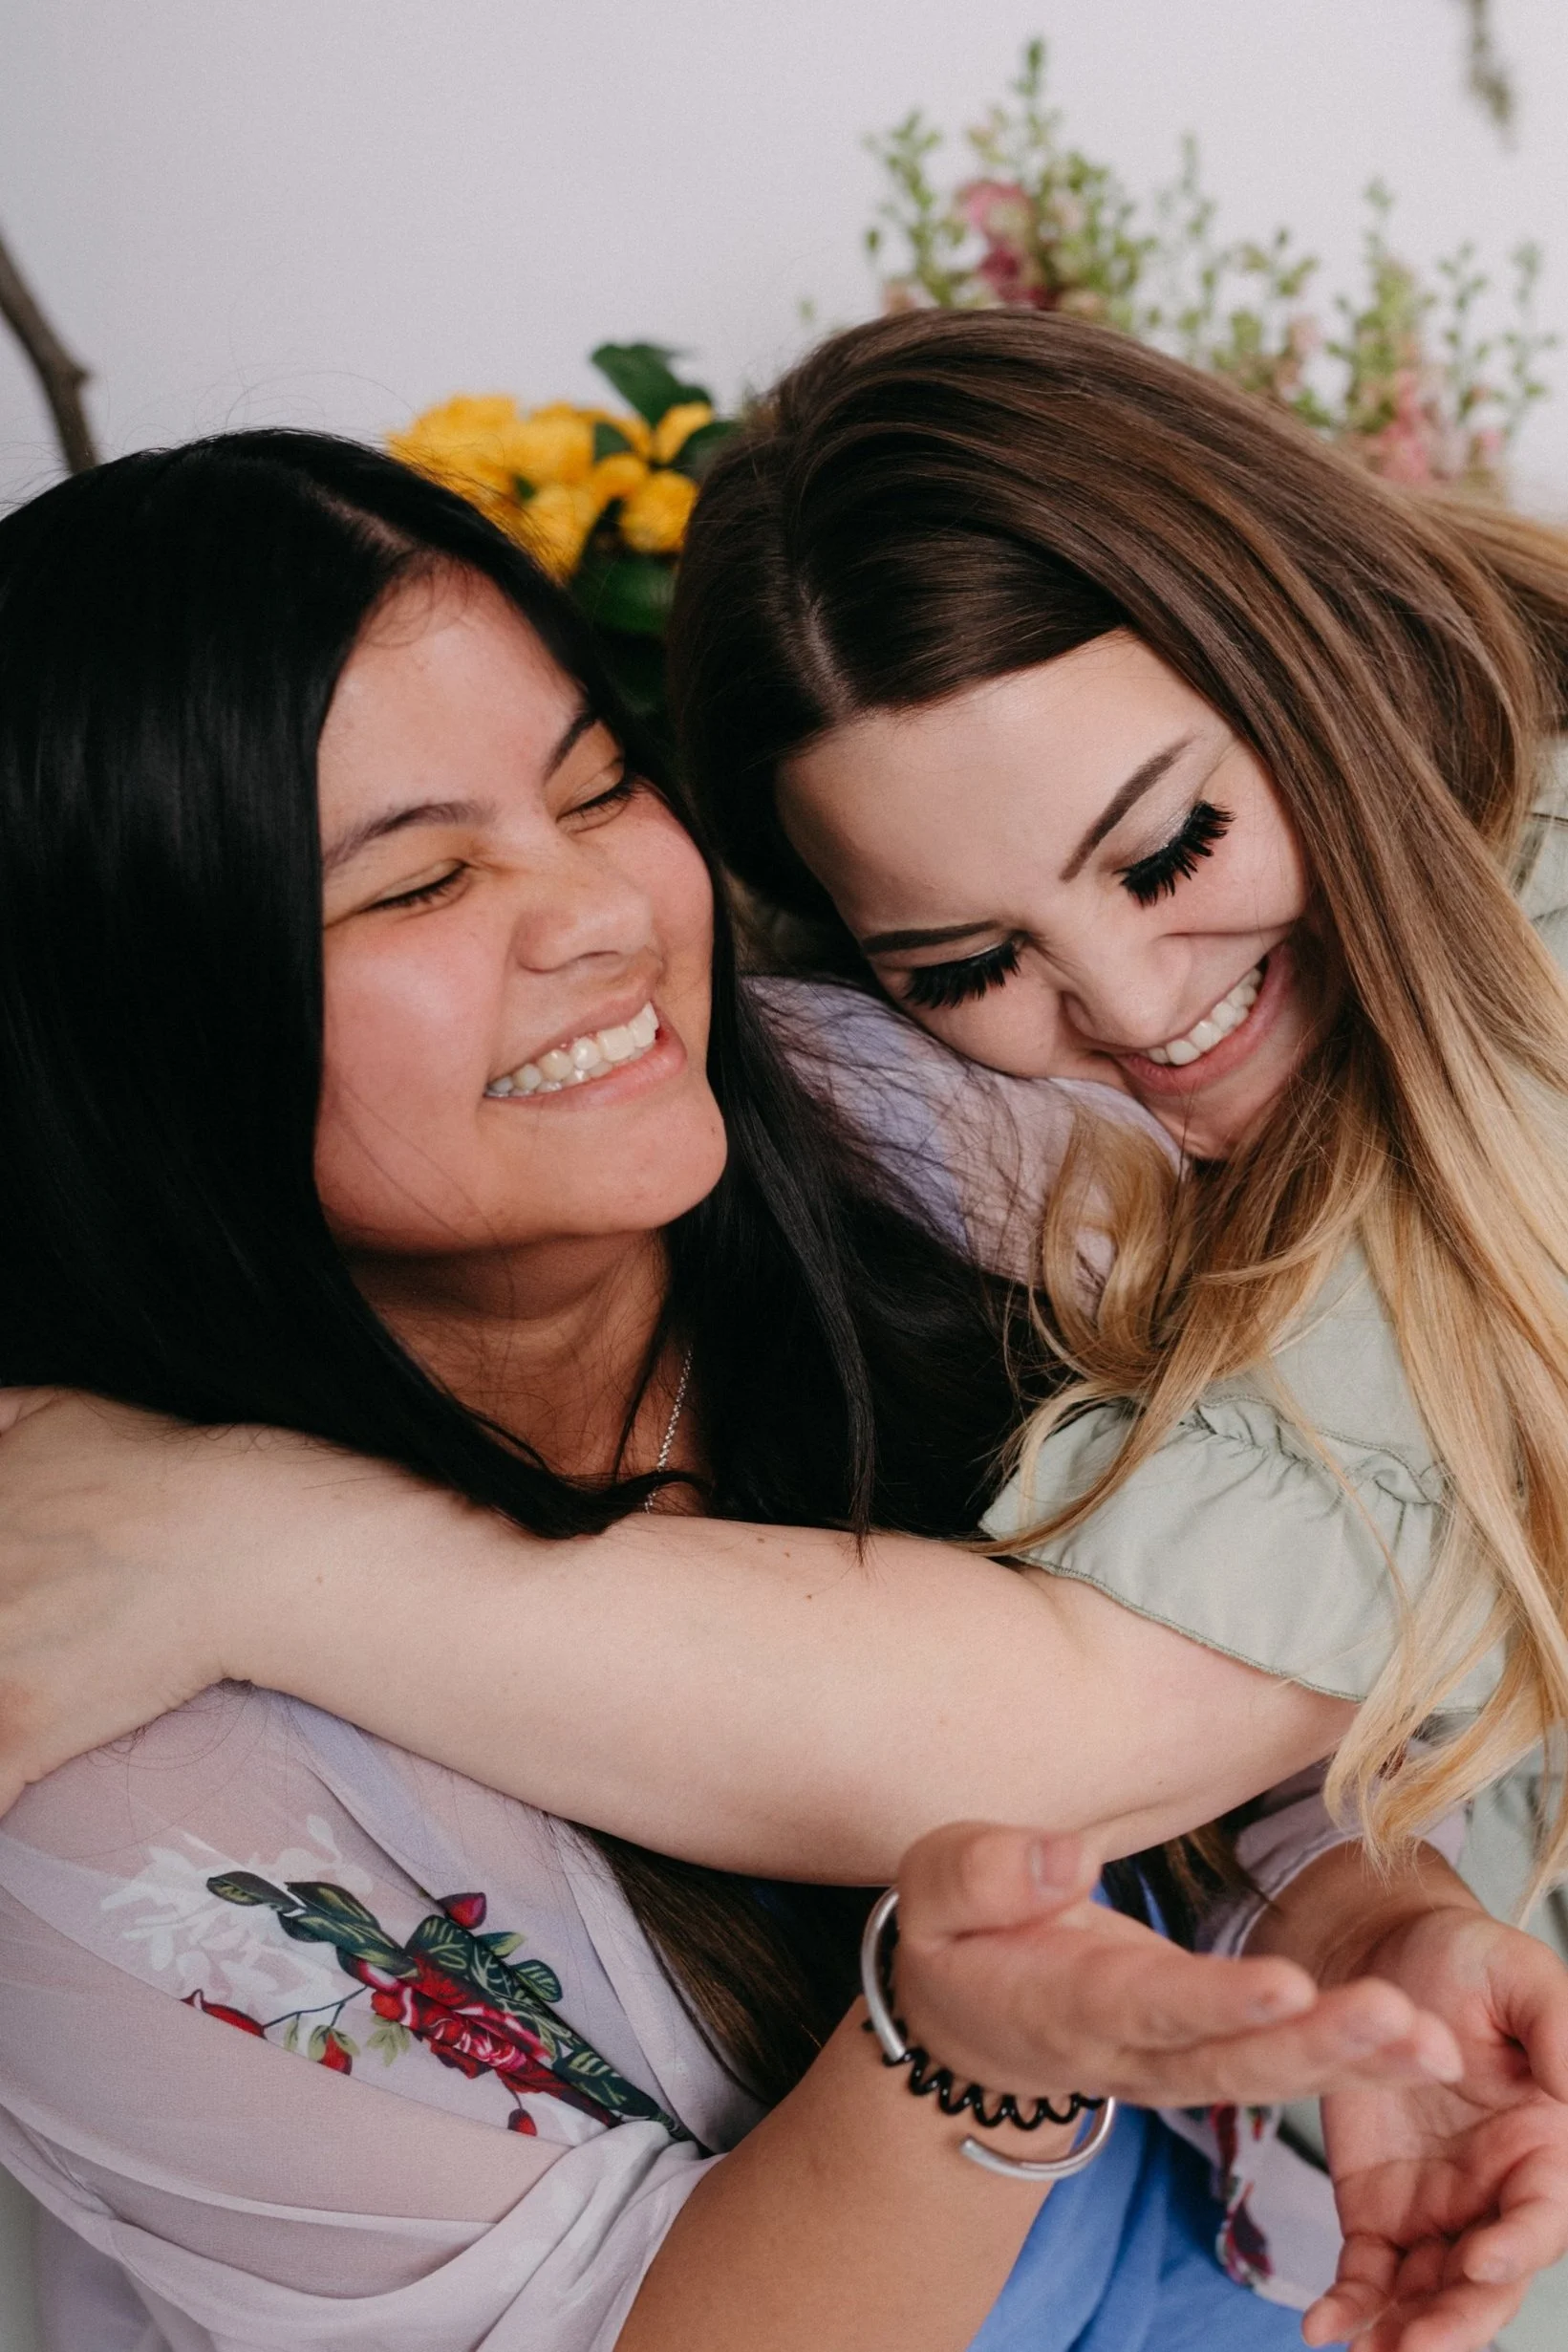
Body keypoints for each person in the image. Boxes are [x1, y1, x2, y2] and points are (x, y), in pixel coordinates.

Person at [4, 406, 1568, 2346]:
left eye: (597, 791)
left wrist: (1341, 1921)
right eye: (416, 887)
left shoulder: (894, 1120)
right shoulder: (100, 1753)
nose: (604, 919)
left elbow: (1164, 1671)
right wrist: (956, 2069)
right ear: (139, 1032)